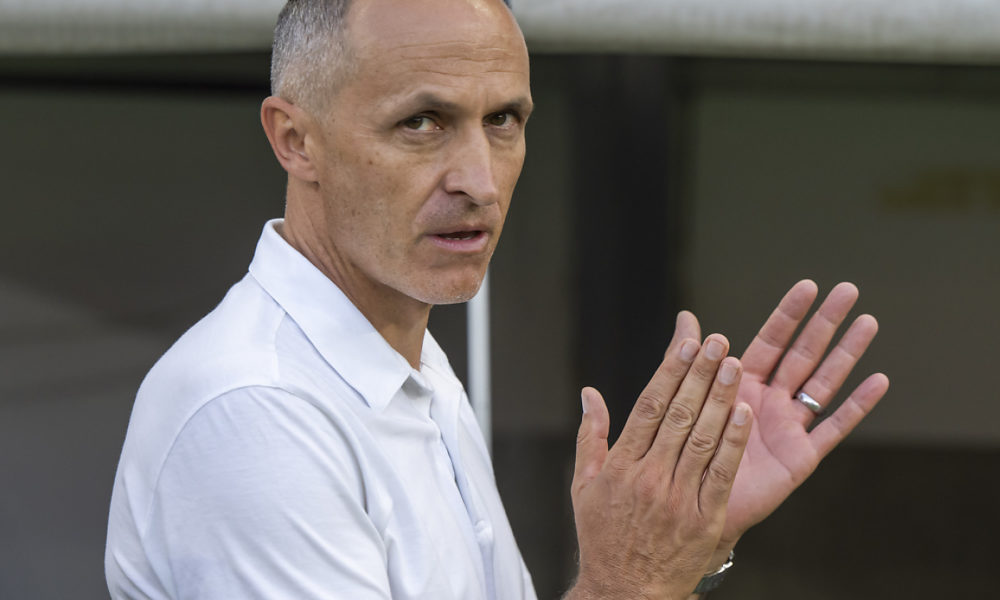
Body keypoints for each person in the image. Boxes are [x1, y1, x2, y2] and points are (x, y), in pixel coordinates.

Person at [104, 0, 890, 598]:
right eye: (422, 122)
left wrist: (682, 546)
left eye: (504, 120)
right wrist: (629, 583)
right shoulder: (256, 408)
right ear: (294, 140)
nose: (480, 180)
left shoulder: (408, 365)